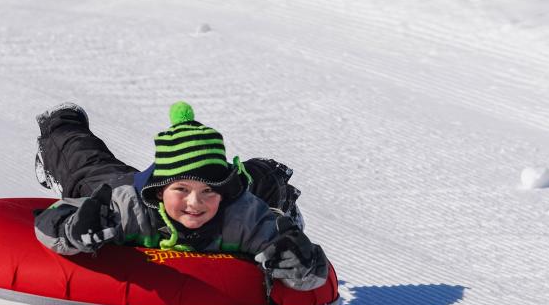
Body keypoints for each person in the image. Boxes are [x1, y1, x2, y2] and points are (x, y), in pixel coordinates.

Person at [33, 101, 328, 291]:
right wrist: (75, 229)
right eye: (182, 191)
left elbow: (311, 275)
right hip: (130, 185)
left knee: (258, 182)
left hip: (238, 188)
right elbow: (53, 220)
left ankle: (277, 187)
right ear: (160, 192)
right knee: (89, 171)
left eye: (208, 191)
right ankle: (62, 122)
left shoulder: (242, 215)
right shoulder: (129, 207)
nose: (194, 203)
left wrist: (299, 261)